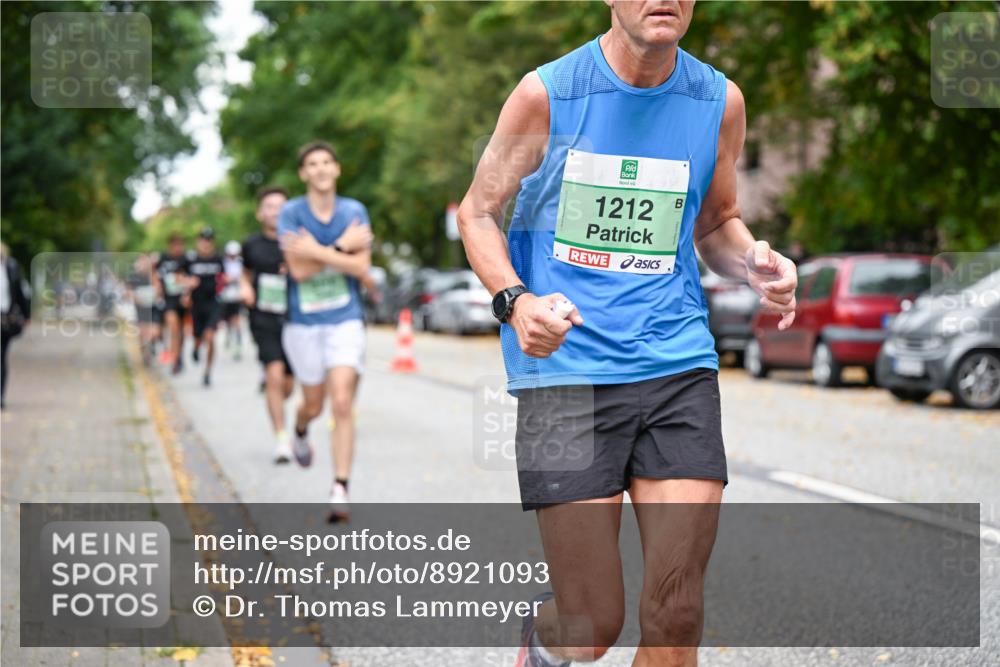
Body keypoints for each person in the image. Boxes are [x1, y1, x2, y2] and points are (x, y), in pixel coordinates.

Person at [457, 2, 798, 666]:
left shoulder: (717, 101)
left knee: (677, 611)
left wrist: (755, 260)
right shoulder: (547, 95)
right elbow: (478, 210)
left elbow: (717, 221)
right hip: (564, 376)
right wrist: (514, 300)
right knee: (590, 625)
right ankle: (543, 645)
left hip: (676, 365)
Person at [279, 140, 374, 521]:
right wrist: (339, 249)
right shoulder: (291, 212)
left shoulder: (354, 210)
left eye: (326, 162)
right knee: (314, 404)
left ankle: (340, 487)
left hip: (345, 319)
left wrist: (315, 250)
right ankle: (300, 428)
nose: (320, 169)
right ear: (304, 173)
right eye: (312, 164)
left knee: (341, 402)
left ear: (337, 169)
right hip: (303, 324)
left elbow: (361, 267)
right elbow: (298, 272)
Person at [241, 186, 296, 462]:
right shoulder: (250, 244)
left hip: (297, 319)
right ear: (260, 213)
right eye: (270, 206)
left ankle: (281, 402)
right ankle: (282, 439)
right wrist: (245, 288)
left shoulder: (298, 240)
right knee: (274, 376)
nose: (276, 211)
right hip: (263, 317)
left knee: (288, 384)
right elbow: (244, 273)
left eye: (281, 206)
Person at [186, 227, 226, 387]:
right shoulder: (191, 260)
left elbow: (224, 278)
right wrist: (187, 284)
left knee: (210, 336)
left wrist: (225, 282)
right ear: (198, 241)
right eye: (203, 239)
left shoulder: (218, 259)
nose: (206, 243)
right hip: (196, 304)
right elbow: (178, 276)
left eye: (209, 240)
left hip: (213, 303)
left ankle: (207, 372)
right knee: (198, 337)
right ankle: (195, 347)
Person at [153, 233, 190, 374]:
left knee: (180, 331)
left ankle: (179, 356)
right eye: (175, 245)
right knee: (172, 325)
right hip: (169, 301)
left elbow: (191, 279)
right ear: (170, 246)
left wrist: (187, 292)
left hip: (182, 301)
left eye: (180, 245)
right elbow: (156, 276)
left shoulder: (186, 260)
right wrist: (158, 291)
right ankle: (174, 358)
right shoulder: (163, 259)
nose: (178, 248)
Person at [1, 243, 31, 410]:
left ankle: (0, 395)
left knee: (1, 357)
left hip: (5, 319)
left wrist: (26, 315)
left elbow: (19, 291)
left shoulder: (11, 266)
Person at [125, 253, 160, 366]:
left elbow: (159, 290)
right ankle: (145, 354)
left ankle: (151, 346)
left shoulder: (154, 275)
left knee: (154, 332)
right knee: (142, 333)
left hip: (153, 308)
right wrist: (136, 298)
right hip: (141, 309)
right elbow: (129, 292)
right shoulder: (135, 277)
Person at [220, 240, 245, 360]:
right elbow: (221, 278)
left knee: (237, 321)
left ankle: (237, 346)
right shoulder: (223, 263)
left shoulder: (242, 263)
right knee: (228, 320)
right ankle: (229, 335)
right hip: (225, 295)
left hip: (237, 295)